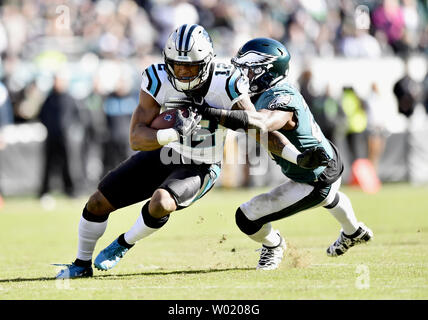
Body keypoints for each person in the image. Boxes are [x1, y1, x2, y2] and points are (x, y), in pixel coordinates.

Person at [54, 25, 322, 279]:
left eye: (190, 66)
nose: (182, 73)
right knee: (97, 203)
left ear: (207, 62)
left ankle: (125, 242)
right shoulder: (157, 78)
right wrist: (172, 133)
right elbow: (137, 138)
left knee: (160, 202)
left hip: (202, 164)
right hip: (165, 152)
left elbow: (257, 128)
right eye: (177, 65)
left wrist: (296, 157)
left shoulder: (227, 83)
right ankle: (80, 265)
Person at [192, 38, 373, 270]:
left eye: (246, 70)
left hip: (313, 175)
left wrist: (210, 113)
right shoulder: (261, 93)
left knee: (247, 218)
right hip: (321, 159)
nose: (240, 74)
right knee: (331, 198)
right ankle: (353, 231)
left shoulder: (281, 98)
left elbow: (263, 123)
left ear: (265, 72)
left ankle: (273, 244)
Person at [38, 72, 80, 198]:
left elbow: (76, 116)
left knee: (68, 164)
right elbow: (42, 115)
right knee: (48, 165)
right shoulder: (49, 98)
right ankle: (45, 191)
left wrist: (69, 128)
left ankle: (70, 190)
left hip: (65, 138)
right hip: (51, 136)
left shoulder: (69, 98)